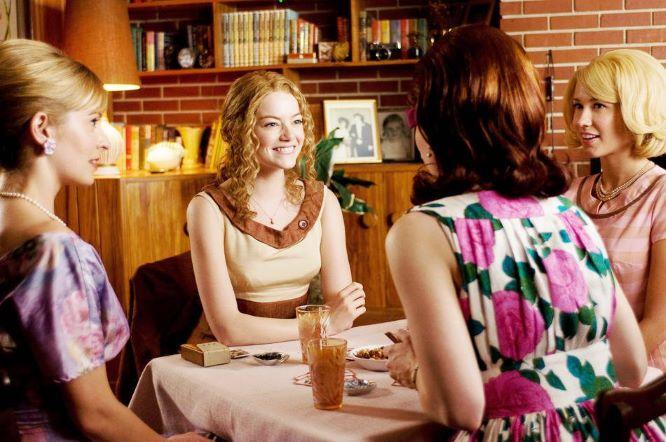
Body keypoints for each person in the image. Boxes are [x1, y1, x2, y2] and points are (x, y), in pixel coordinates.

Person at [383, 25, 665, 439]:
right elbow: (632, 366)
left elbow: (462, 410)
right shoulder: (570, 214)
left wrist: (414, 367)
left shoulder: (422, 230)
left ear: (433, 120)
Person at [0, 39, 204, 441]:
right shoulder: (56, 252)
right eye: (93, 121)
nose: (105, 141)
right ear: (43, 128)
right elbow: (94, 415)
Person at [186, 71, 365, 346]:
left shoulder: (323, 201)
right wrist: (322, 324)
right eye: (271, 124)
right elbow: (228, 329)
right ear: (239, 131)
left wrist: (328, 323)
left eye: (296, 121)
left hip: (296, 349)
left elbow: (343, 311)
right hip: (228, 358)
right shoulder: (207, 209)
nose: (289, 135)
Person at [563, 49, 666, 371]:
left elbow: (659, 322)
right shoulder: (569, 195)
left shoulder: (661, 195)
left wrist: (593, 376)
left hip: (644, 380)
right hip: (577, 368)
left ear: (637, 109)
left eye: (598, 106)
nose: (581, 120)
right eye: (578, 105)